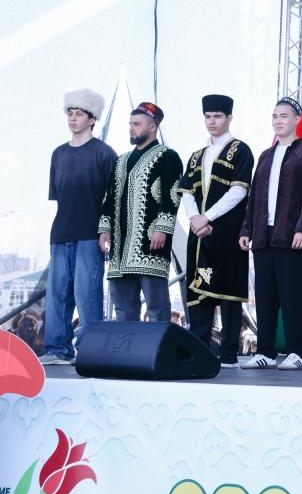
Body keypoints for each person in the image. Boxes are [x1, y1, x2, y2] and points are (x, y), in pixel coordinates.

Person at [239, 98, 302, 372]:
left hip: (290, 236)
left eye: (284, 116)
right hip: (263, 237)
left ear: (297, 119)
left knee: (293, 297)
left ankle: (297, 352)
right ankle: (266, 352)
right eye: (274, 116)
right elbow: (254, 196)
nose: (278, 121)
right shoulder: (266, 156)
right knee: (265, 298)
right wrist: (247, 229)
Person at [40, 89, 117, 365]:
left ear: (92, 119)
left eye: (79, 114)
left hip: (90, 235)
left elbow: (114, 198)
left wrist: (106, 231)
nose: (72, 118)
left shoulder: (105, 153)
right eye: (69, 113)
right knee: (57, 296)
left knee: (88, 295)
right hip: (60, 234)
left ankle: (90, 350)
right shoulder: (58, 154)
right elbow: (59, 196)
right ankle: (58, 350)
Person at [176, 94, 254, 368]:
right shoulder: (196, 156)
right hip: (199, 236)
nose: (212, 121)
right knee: (199, 293)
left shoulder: (240, 150)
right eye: (208, 116)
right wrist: (194, 219)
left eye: (217, 116)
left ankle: (229, 354)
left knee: (229, 292)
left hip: (228, 233)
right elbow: (186, 191)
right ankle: (199, 351)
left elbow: (239, 191)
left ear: (229, 118)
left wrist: (206, 217)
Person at [98, 102, 183, 322]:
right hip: (119, 250)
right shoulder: (121, 160)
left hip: (150, 246)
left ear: (153, 126)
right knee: (123, 309)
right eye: (130, 124)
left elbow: (172, 195)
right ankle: (127, 346)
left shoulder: (168, 156)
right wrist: (104, 229)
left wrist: (162, 229)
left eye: (137, 124)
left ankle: (160, 345)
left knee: (156, 307)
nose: (131, 128)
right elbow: (109, 198)